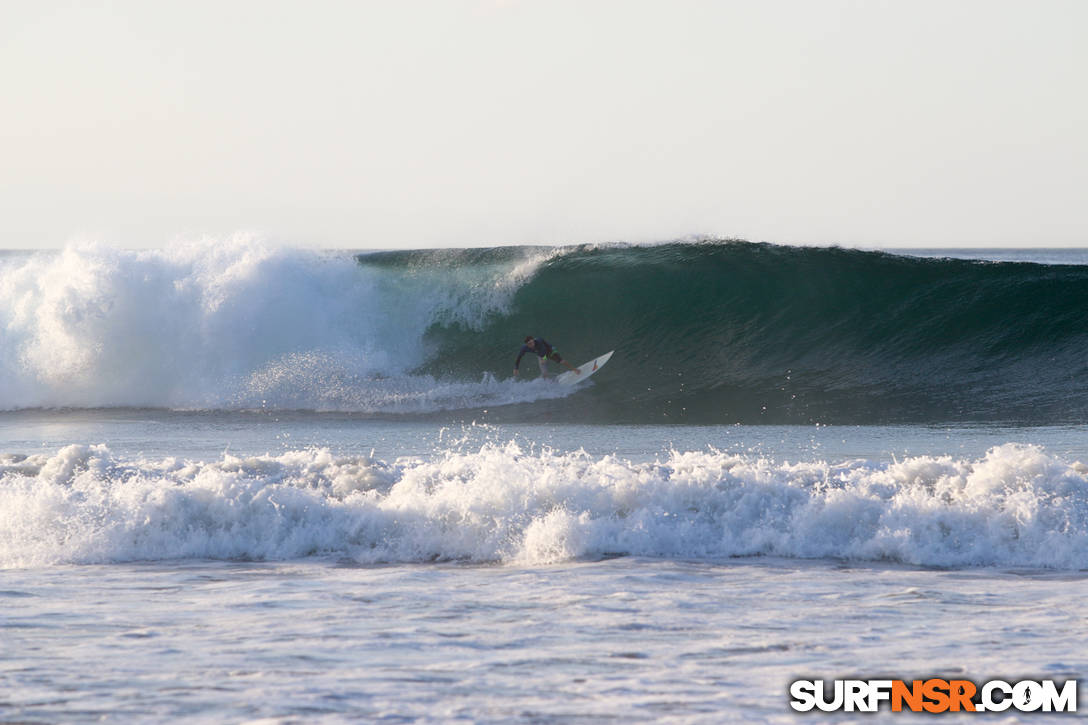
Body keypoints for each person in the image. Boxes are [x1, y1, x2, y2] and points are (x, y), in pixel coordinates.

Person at [513, 336, 580, 378]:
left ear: (533, 340)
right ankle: (549, 384)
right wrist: (516, 368)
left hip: (550, 350)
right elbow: (519, 357)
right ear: (527, 344)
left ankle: (575, 370)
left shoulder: (538, 341)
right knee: (544, 373)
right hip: (540, 354)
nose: (532, 344)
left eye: (532, 342)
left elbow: (544, 350)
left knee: (561, 361)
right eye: (529, 344)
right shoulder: (524, 348)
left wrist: (544, 358)